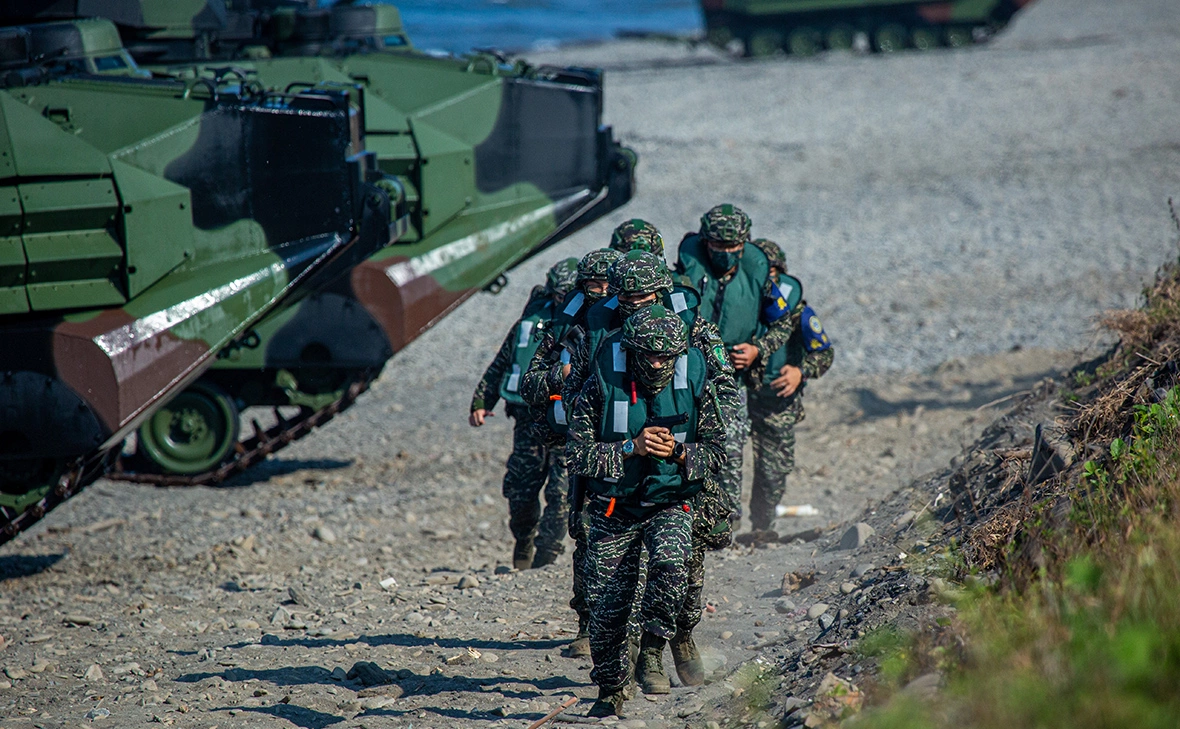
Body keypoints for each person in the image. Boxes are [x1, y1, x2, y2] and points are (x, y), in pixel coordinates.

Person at [566, 305, 726, 718]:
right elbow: (578, 456)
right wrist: (628, 447)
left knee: (673, 565)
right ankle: (612, 687)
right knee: (606, 611)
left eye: (666, 356)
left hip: (670, 501)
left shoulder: (693, 382)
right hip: (613, 510)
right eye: (649, 355)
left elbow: (716, 453)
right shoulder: (599, 387)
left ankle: (654, 647)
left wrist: (678, 452)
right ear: (632, 351)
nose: (657, 363)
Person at [518, 247, 622, 657]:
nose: (598, 292)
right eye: (590, 284)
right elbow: (529, 383)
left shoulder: (634, 325)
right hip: (581, 446)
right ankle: (587, 625)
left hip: (629, 444)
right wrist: (558, 375)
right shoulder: (564, 327)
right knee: (585, 535)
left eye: (606, 284)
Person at [675, 204, 797, 518]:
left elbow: (783, 321)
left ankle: (727, 523)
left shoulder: (758, 273)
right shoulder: (687, 269)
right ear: (705, 242)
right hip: (687, 374)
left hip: (732, 378)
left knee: (729, 448)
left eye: (734, 247)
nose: (726, 253)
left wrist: (758, 349)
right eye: (718, 246)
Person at [469, 257, 579, 570]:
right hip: (529, 421)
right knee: (521, 491)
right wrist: (481, 402)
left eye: (567, 295)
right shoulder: (530, 322)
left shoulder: (589, 324)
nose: (561, 300)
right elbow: (503, 363)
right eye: (556, 294)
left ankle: (544, 560)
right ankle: (524, 541)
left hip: (569, 424)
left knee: (561, 496)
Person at [745, 239, 834, 538]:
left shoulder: (798, 310)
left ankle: (762, 528)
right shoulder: (738, 302)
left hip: (776, 400)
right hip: (738, 395)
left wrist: (800, 372)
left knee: (774, 470)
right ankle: (721, 532)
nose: (767, 278)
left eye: (772, 272)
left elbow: (824, 353)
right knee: (723, 465)